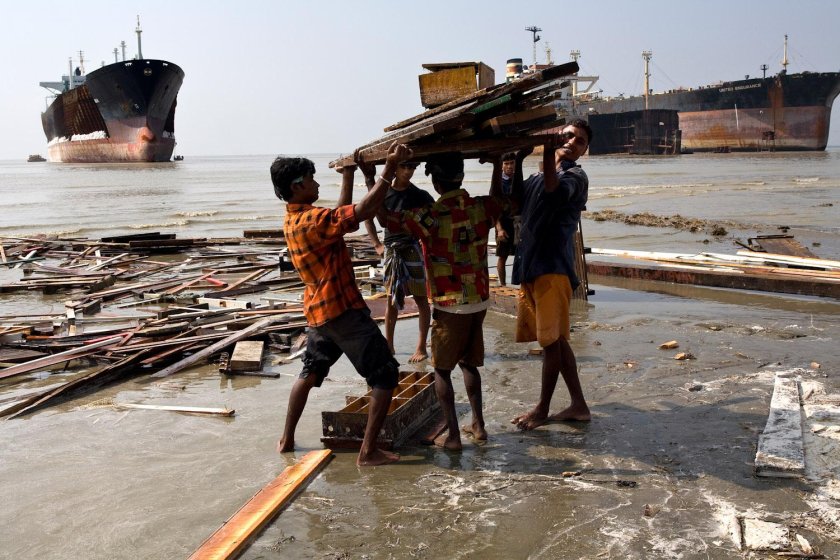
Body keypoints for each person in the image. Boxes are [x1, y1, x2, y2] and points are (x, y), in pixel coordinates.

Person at [270, 142, 412, 467]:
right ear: (298, 186)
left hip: (318, 313)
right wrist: (387, 170)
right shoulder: (313, 221)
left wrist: (348, 175)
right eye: (312, 179)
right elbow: (360, 213)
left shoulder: (295, 220)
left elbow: (338, 220)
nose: (317, 184)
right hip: (343, 312)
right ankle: (368, 452)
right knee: (385, 374)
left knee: (310, 371)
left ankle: (286, 438)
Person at [374, 152, 505, 451]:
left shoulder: (431, 216)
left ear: (435, 181)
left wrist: (379, 176)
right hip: (480, 299)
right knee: (470, 364)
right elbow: (501, 198)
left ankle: (455, 437)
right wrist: (498, 164)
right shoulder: (480, 207)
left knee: (443, 371)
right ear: (460, 175)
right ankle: (479, 425)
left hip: (449, 303)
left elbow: (385, 218)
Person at [509, 120, 594, 431]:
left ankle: (542, 409)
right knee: (556, 341)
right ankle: (579, 405)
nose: (572, 142)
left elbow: (553, 190)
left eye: (580, 141)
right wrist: (516, 159)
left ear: (584, 151)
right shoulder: (535, 176)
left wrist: (546, 150)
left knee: (550, 345)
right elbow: (515, 201)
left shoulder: (576, 176)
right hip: (531, 267)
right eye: (568, 135)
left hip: (553, 269)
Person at [363, 161, 434, 363]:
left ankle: (421, 346)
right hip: (391, 249)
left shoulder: (419, 195)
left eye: (412, 168)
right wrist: (376, 243)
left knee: (421, 298)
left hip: (412, 247)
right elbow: (367, 213)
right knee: (392, 299)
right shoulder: (383, 191)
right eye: (404, 167)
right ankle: (389, 344)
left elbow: (435, 216)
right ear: (395, 169)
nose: (408, 172)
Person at [494, 152, 519, 286]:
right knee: (502, 255)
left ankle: (520, 284)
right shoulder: (498, 183)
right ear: (502, 166)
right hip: (503, 223)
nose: (509, 166)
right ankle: (503, 284)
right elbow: (494, 208)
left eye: (512, 163)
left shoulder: (518, 180)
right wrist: (499, 229)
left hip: (518, 222)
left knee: (521, 254)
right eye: (506, 163)